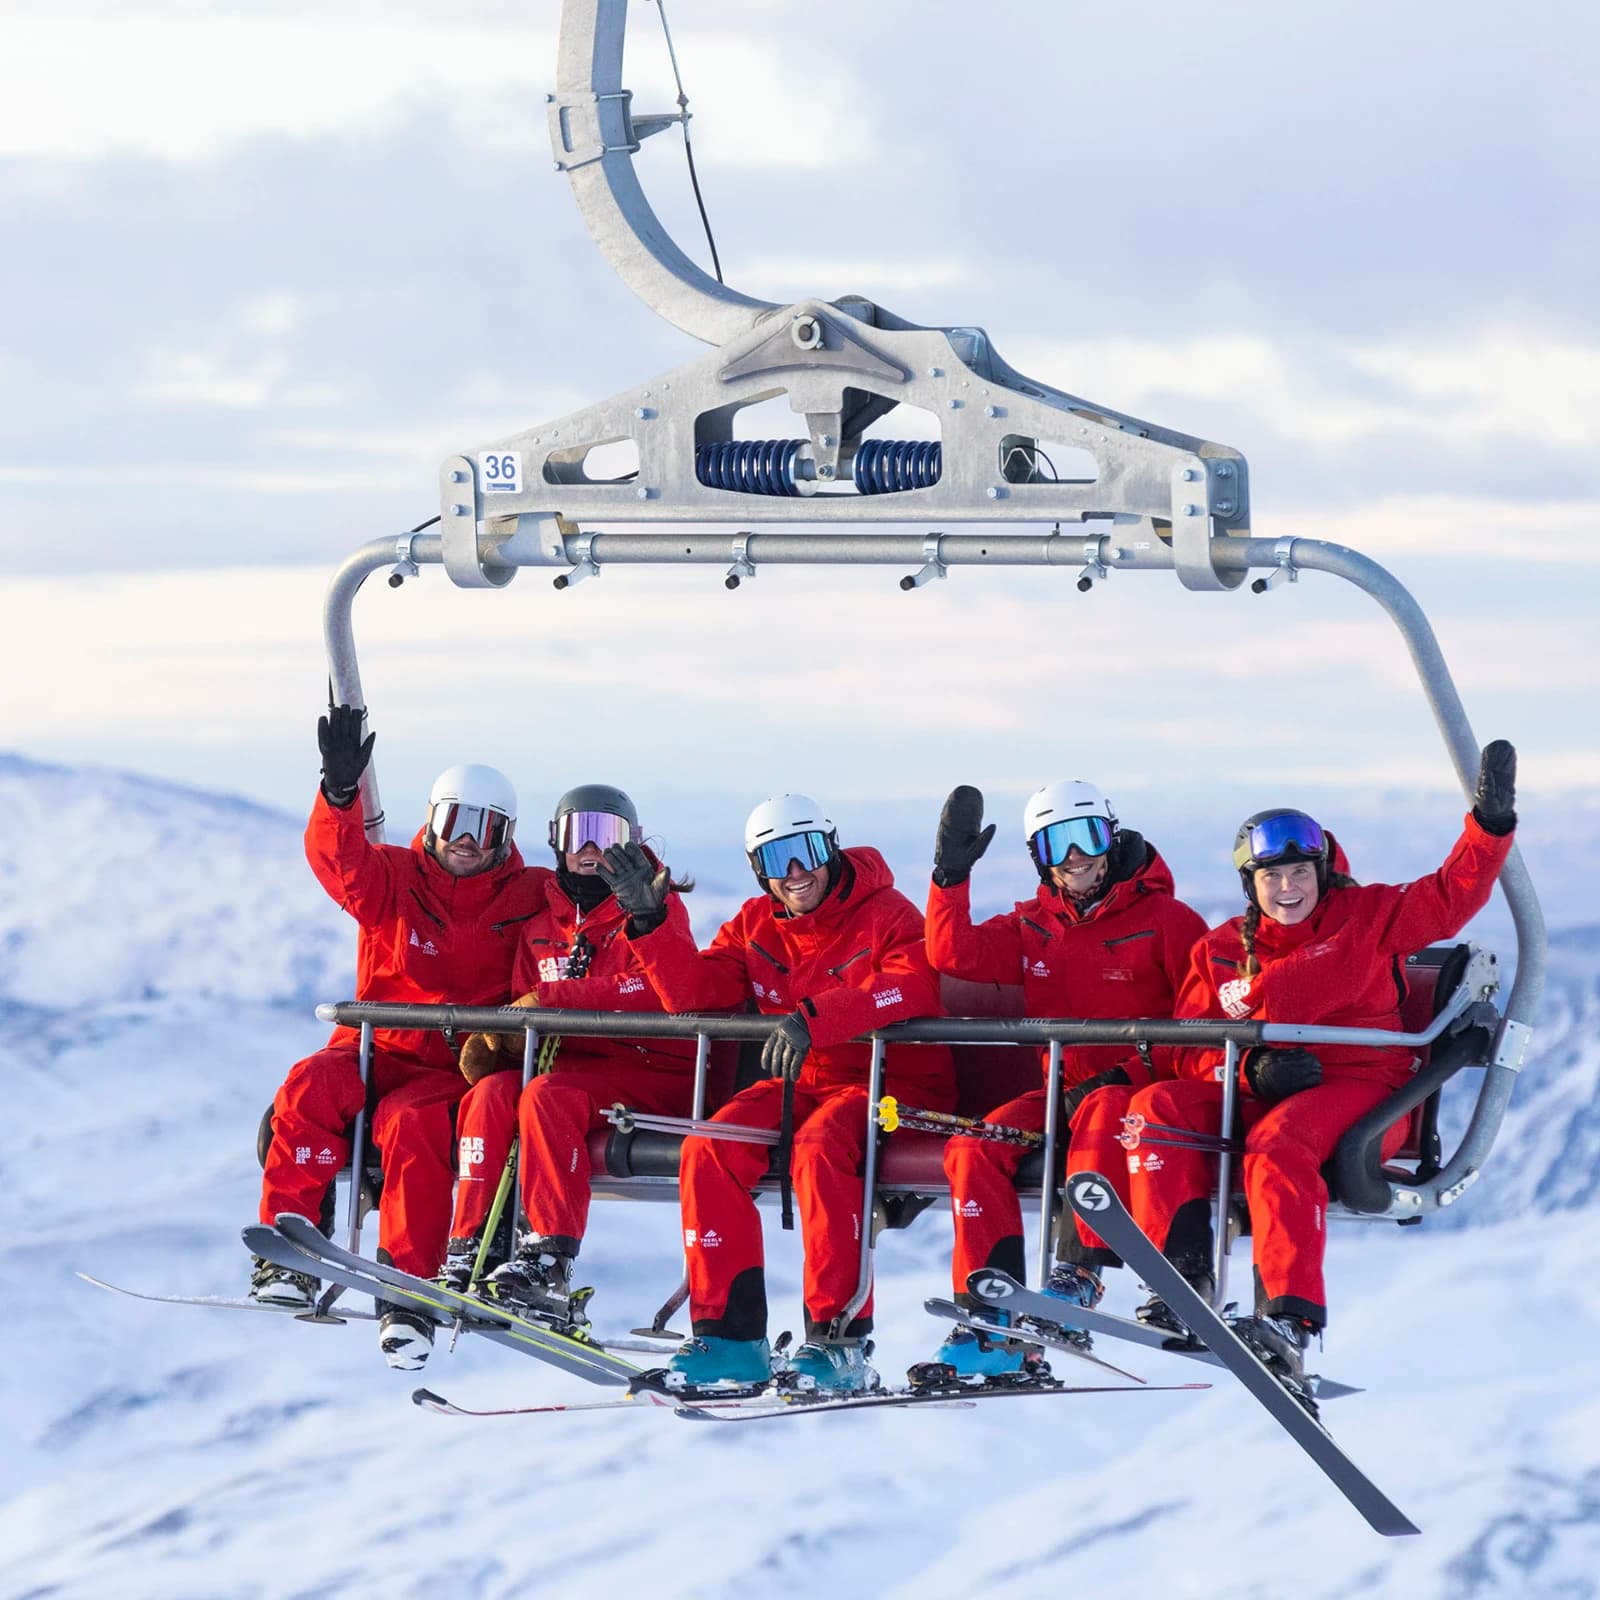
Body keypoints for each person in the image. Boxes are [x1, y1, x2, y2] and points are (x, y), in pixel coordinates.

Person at [1117, 740, 1518, 1410]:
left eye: (1300, 872)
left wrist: (1490, 827)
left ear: (1321, 871)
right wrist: (1252, 1074)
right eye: (1271, 877)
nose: (1288, 889)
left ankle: (1288, 1317)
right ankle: (1180, 1281)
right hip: (1263, 1089)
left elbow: (1451, 897)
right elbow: (1187, 1047)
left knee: (1280, 1143)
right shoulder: (1221, 951)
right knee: (1156, 1107)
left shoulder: (1366, 918)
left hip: (1365, 1092)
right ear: (1251, 883)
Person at [600, 795, 955, 1394]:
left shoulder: (885, 912)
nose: (795, 873)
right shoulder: (755, 924)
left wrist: (819, 1016)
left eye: (807, 852)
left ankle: (837, 1340)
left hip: (889, 1082)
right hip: (802, 1081)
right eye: (776, 859)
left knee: (818, 1152)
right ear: (757, 868)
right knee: (707, 1147)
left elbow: (911, 987)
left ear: (831, 848)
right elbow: (694, 993)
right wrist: (651, 925)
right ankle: (731, 1339)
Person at [250, 705, 548, 1372]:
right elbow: (338, 861)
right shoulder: (395, 877)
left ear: (505, 835)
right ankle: (286, 1251)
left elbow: (589, 914)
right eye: (454, 823)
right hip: (377, 1050)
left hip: (452, 1067)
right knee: (309, 1086)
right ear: (432, 823)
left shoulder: (529, 894)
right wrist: (338, 793)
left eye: (485, 826)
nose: (466, 840)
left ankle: (406, 1291)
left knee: (412, 1128)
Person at [922, 781, 1207, 1376]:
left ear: (1112, 836)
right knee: (975, 1147)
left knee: (1103, 1106)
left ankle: (1079, 1275)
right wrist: (950, 879)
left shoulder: (1168, 921)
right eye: (1057, 844)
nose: (1076, 856)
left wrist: (1127, 1072)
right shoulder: (1034, 927)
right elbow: (954, 954)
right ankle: (989, 1311)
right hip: (1062, 1093)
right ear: (1038, 857)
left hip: (1134, 1092)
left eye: (1088, 837)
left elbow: (1196, 1033)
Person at [437, 784, 697, 1324]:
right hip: (569, 1072)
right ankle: (471, 1248)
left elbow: (659, 991)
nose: (592, 850)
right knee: (491, 1094)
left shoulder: (654, 909)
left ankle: (547, 1262)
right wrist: (499, 1041)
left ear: (632, 843)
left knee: (547, 1097)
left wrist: (553, 1000)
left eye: (607, 836)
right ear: (556, 841)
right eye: (580, 834)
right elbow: (522, 1002)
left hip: (648, 1072)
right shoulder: (541, 927)